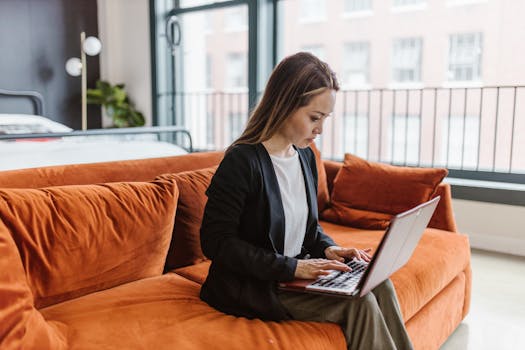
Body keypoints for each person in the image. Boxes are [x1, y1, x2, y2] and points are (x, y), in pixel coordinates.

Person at [199, 52, 413, 350]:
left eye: (325, 118)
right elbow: (215, 242)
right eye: (314, 117)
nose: (320, 129)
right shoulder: (242, 161)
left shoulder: (304, 157)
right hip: (254, 285)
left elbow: (308, 230)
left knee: (380, 284)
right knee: (358, 304)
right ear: (284, 105)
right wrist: (293, 268)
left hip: (292, 275)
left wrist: (329, 248)